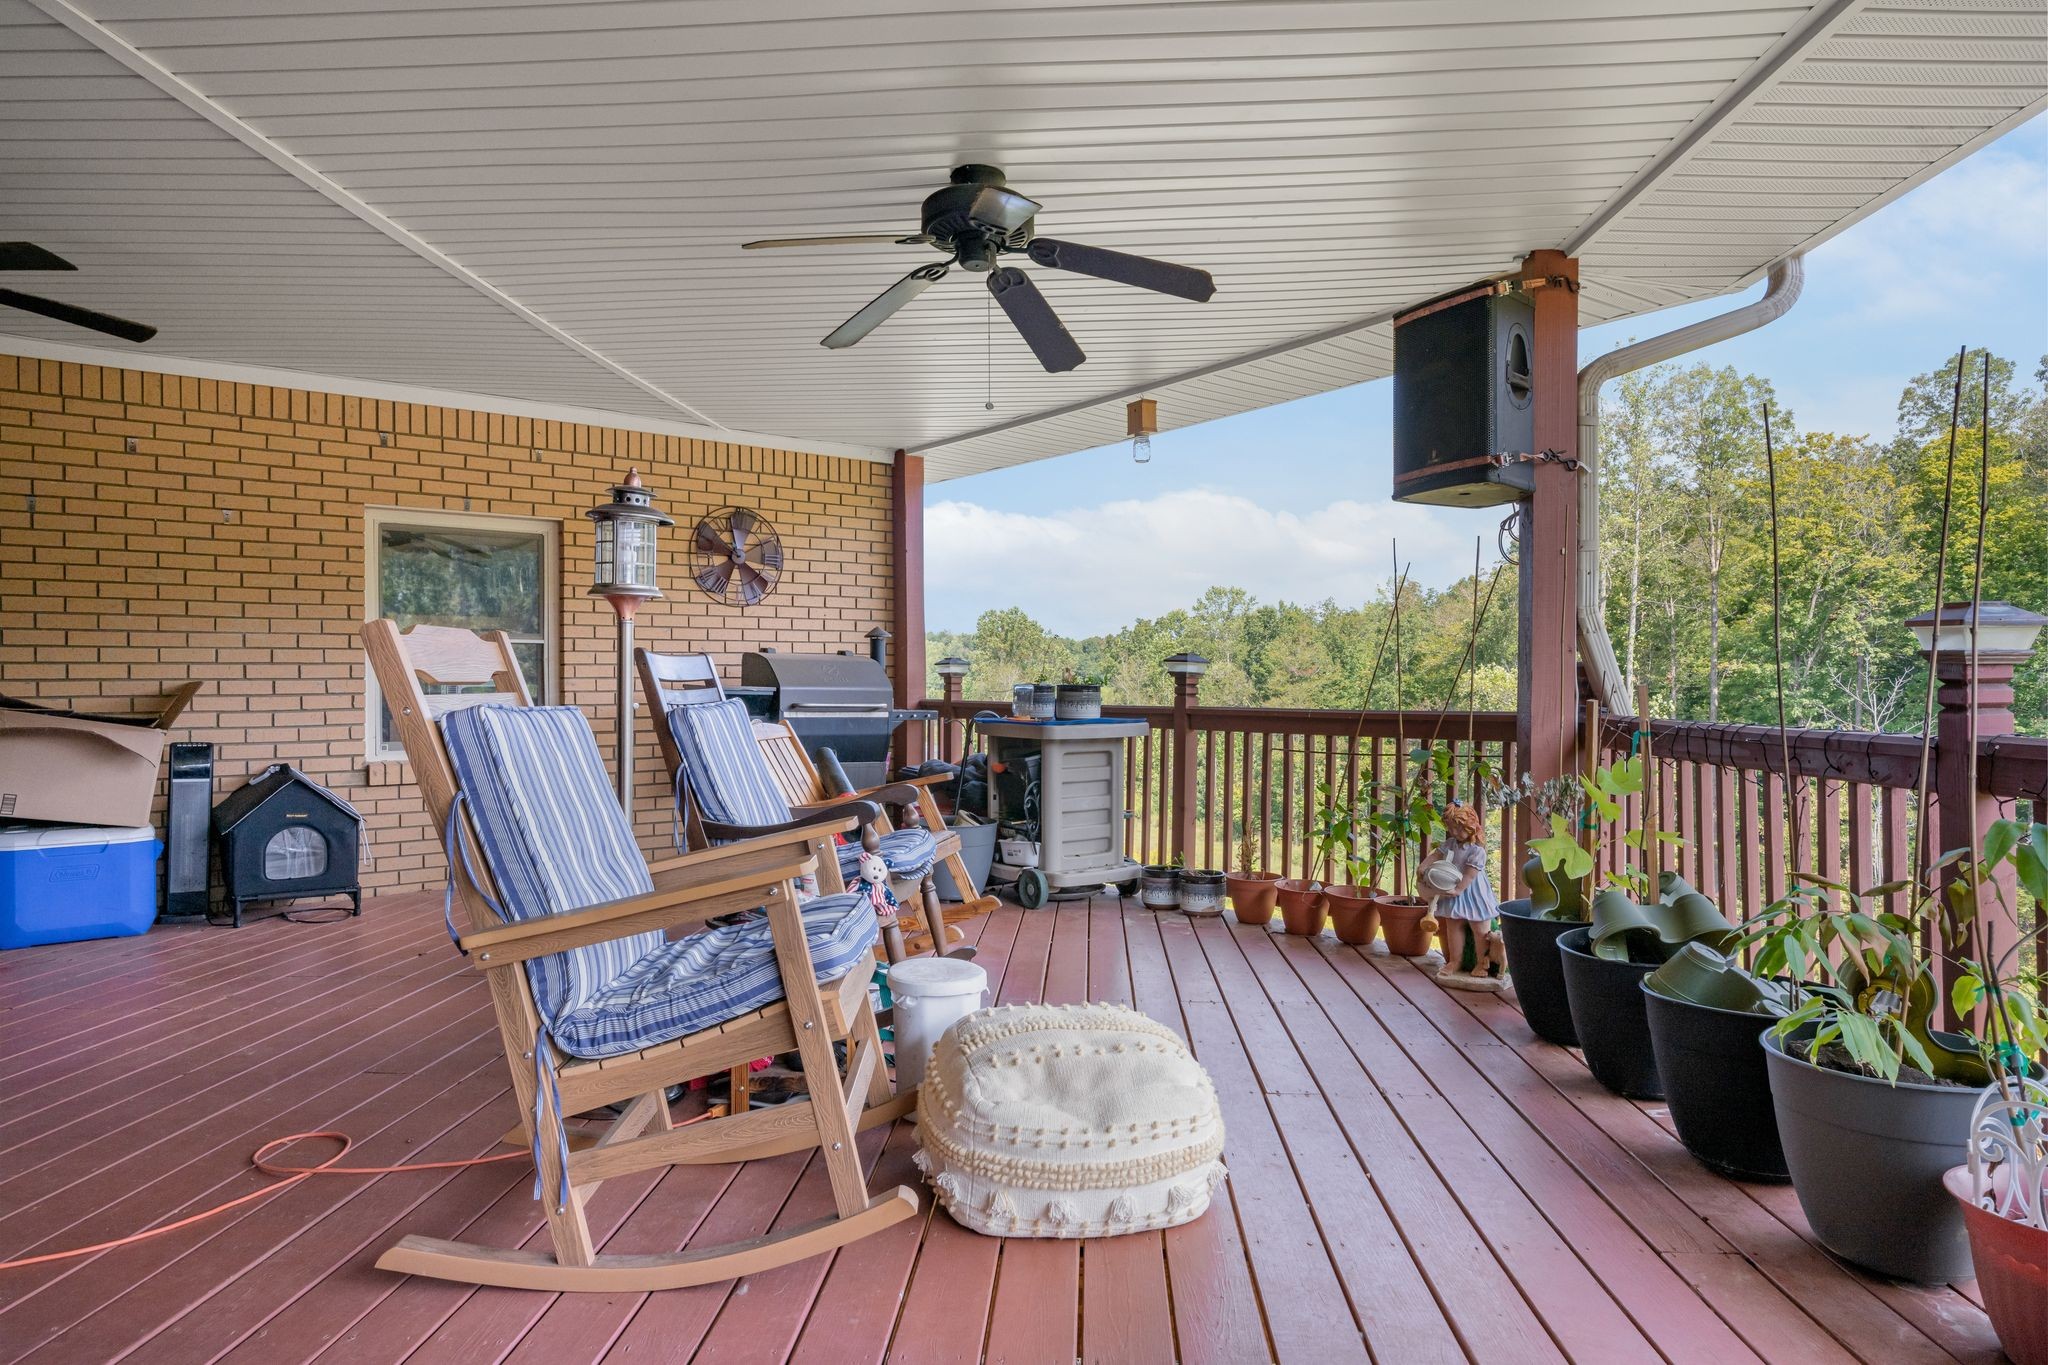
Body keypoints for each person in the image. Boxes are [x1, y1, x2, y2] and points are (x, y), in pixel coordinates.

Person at [1417, 803, 1499, 984]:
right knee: (1453, 926)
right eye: (1451, 828)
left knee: (1480, 929)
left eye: (1459, 829)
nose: (1454, 832)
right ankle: (1455, 961)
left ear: (1471, 826)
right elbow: (1436, 855)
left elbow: (1469, 875)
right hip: (1452, 889)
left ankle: (1482, 963)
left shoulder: (1477, 850)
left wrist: (1459, 890)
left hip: (1473, 892)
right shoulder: (1450, 844)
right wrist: (1423, 866)